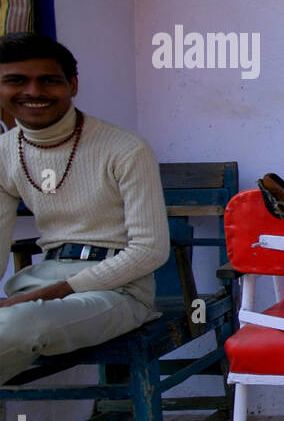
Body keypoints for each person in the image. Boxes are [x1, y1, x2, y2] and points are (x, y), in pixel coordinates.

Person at [0, 32, 170, 383]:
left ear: (72, 85)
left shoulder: (124, 149)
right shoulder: (4, 151)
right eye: (16, 81)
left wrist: (55, 292)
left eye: (49, 81)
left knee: (18, 325)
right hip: (37, 288)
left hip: (118, 293)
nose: (33, 92)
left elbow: (150, 251)